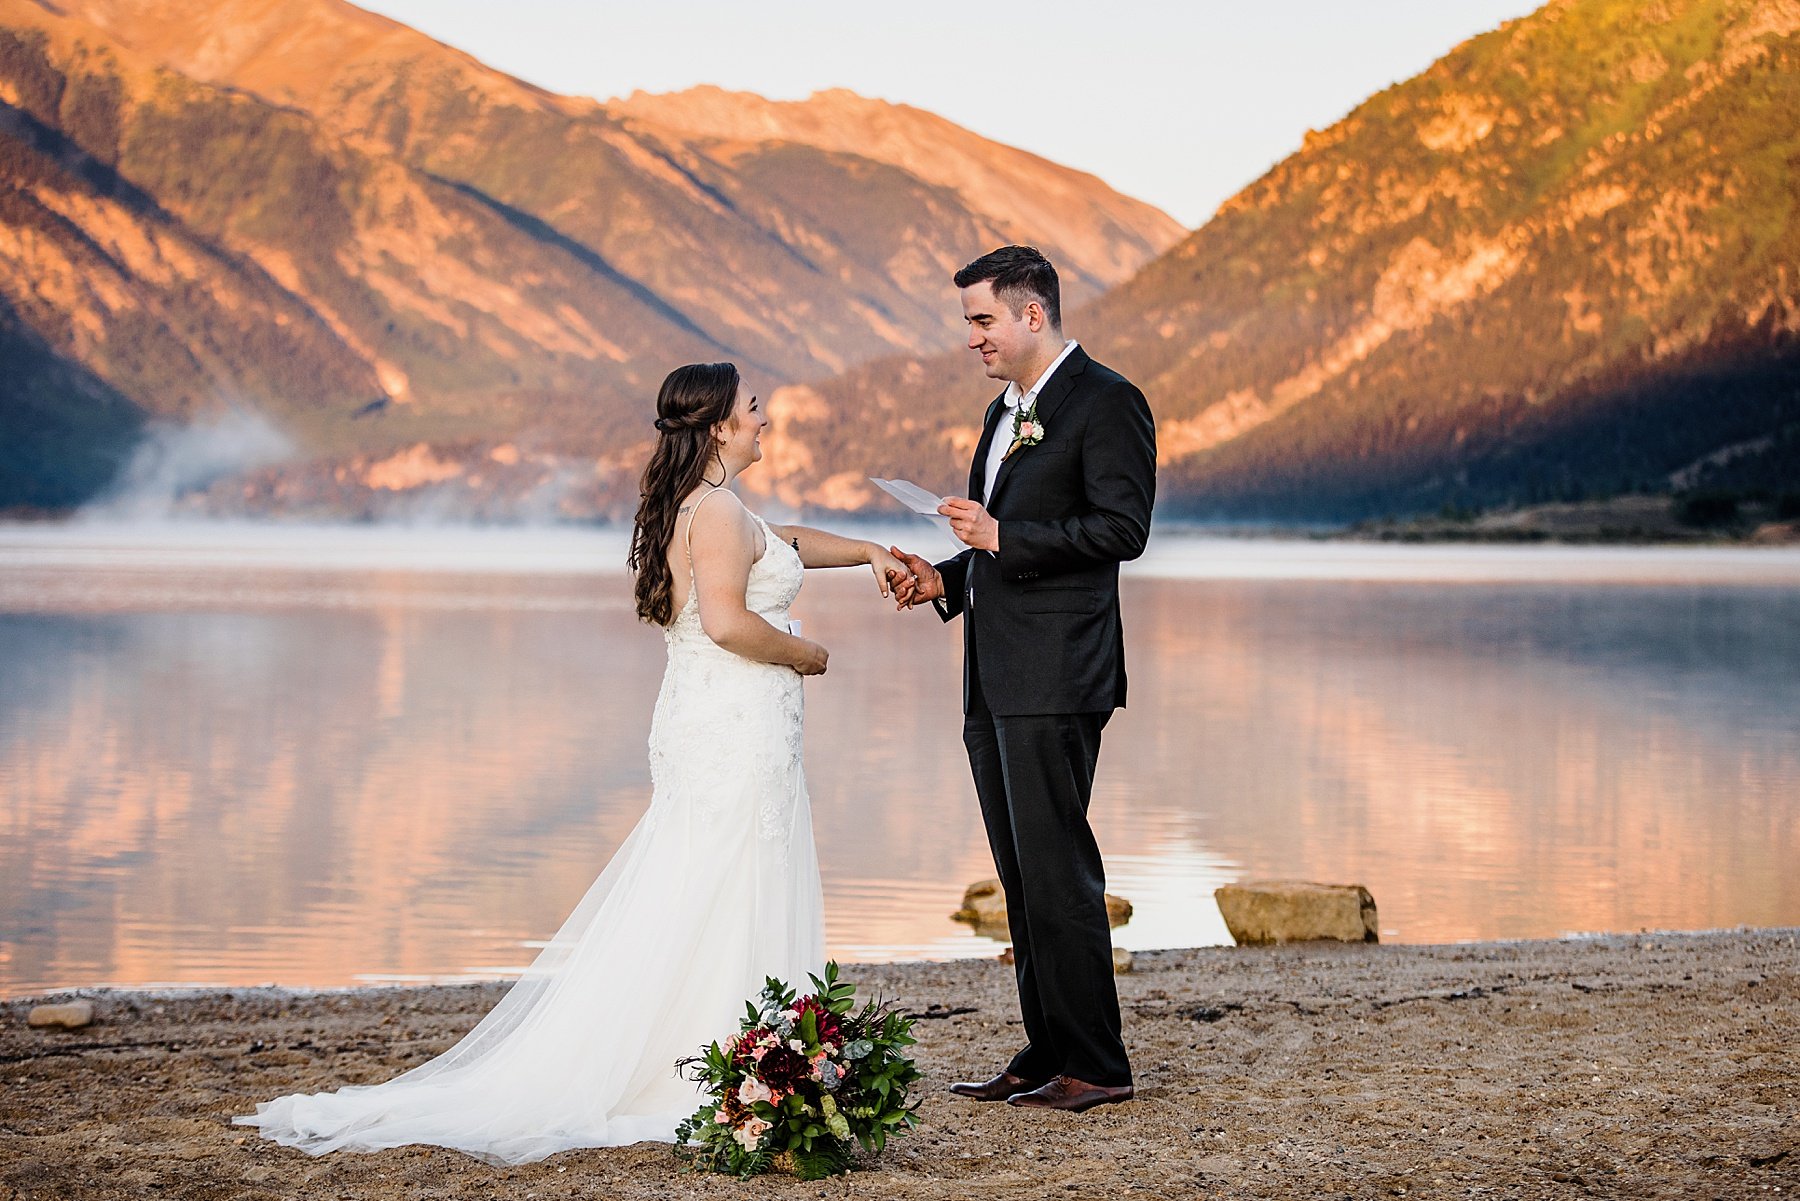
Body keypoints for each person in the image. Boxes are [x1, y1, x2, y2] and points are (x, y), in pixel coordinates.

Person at [234, 362, 909, 1164]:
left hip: (709, 720)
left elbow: (785, 542)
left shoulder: (703, 506)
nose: (766, 417)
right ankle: (726, 1066)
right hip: (735, 723)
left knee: (708, 876)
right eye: (753, 408)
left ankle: (735, 1059)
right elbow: (728, 623)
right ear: (722, 425)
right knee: (731, 874)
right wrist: (806, 653)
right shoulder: (720, 510)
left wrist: (867, 547)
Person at [891, 245, 1155, 1113]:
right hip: (993, 674)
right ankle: (1048, 1050)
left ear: (1031, 314)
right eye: (969, 322)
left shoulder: (1108, 402)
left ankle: (1098, 1066)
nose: (972, 338)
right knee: (1020, 872)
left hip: (1059, 672)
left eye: (982, 320)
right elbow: (995, 547)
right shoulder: (1001, 414)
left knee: (1059, 868)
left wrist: (1001, 537)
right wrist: (944, 578)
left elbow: (1121, 529)